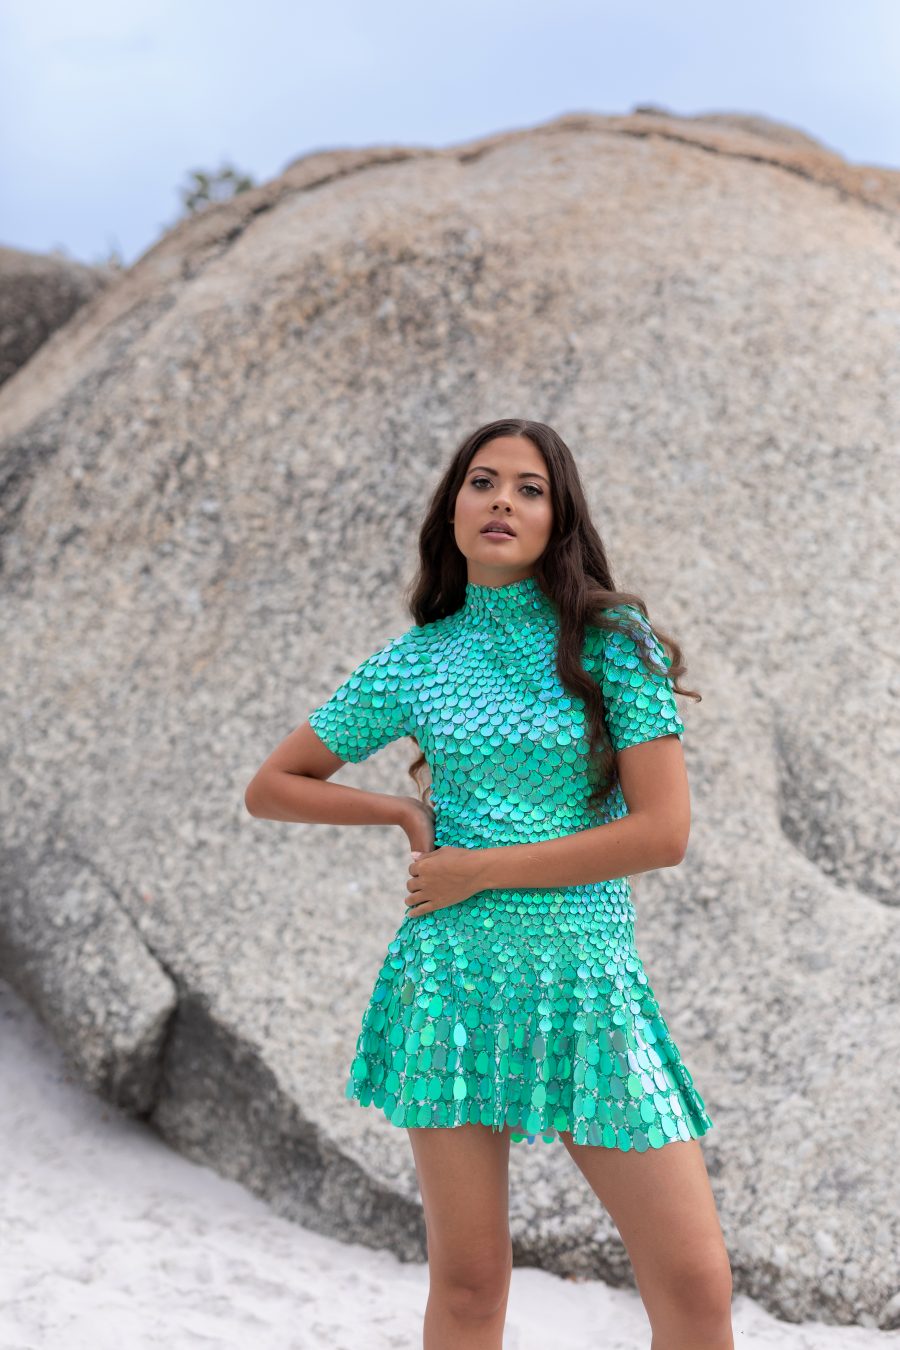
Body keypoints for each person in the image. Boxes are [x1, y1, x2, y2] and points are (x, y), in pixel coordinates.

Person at [245, 418, 734, 1350]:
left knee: (696, 1282)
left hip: (587, 981)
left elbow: (662, 833)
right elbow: (273, 785)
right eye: (483, 481)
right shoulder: (420, 661)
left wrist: (479, 868)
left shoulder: (611, 642)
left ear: (558, 520)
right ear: (453, 509)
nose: (502, 500)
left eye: (529, 488)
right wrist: (400, 812)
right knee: (469, 1285)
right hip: (452, 982)